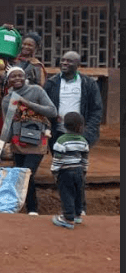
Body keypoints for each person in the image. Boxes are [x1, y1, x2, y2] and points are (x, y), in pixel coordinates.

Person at [44, 51, 102, 217]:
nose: (65, 63)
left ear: (78, 65)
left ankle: (80, 208)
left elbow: (96, 110)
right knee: (62, 175)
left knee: (78, 173)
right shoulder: (52, 82)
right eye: (62, 60)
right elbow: (45, 105)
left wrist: (87, 134)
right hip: (57, 135)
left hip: (80, 137)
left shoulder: (88, 83)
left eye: (69, 61)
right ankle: (68, 208)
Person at [1, 66, 57, 216]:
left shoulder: (36, 90)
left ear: (25, 77)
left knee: (28, 173)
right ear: (8, 80)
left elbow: (52, 111)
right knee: (20, 174)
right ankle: (18, 205)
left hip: (38, 140)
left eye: (20, 75)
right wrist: (0, 146)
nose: (17, 79)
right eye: (13, 76)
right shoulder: (7, 99)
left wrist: (26, 103)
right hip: (18, 143)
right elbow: (7, 125)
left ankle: (32, 208)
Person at [51, 112, 89, 229]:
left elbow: (57, 158)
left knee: (67, 193)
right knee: (78, 193)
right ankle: (77, 214)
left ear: (64, 125)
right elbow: (85, 158)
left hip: (65, 172)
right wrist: (84, 170)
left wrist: (54, 171)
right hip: (78, 170)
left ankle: (68, 218)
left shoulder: (61, 140)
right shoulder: (83, 141)